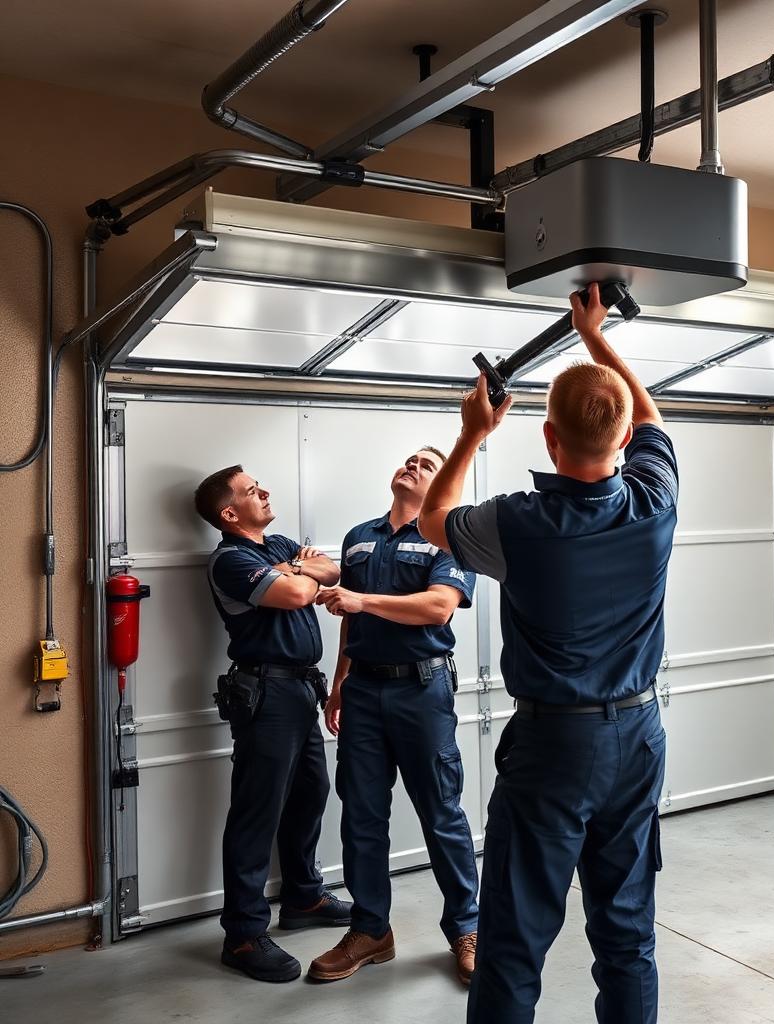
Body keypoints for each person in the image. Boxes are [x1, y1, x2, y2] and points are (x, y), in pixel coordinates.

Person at [419, 282, 678, 1024]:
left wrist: (472, 433)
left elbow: (434, 518)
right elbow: (649, 416)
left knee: (513, 939)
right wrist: (594, 335)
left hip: (554, 746)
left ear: (548, 439)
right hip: (639, 735)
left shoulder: (518, 524)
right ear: (623, 442)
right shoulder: (655, 501)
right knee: (627, 931)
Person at [307, 447, 480, 987]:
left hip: (421, 690)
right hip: (362, 691)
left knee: (441, 813)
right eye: (409, 459)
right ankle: (370, 930)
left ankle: (468, 928)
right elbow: (347, 616)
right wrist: (340, 682)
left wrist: (362, 601)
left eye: (426, 465)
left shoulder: (450, 538)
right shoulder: (360, 536)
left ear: (440, 483)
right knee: (361, 814)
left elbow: (438, 607)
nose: (412, 466)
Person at [194, 465, 353, 984]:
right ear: (229, 512)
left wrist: (296, 567)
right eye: (251, 490)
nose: (263, 492)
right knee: (256, 810)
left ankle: (304, 898)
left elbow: (332, 571)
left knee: (311, 791)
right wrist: (300, 576)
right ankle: (242, 935)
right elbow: (299, 595)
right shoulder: (230, 560)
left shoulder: (279, 544)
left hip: (302, 688)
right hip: (265, 692)